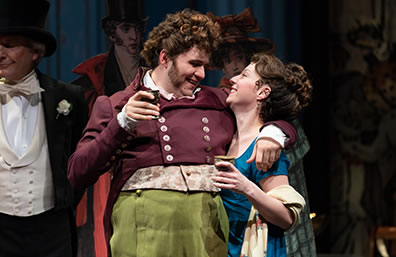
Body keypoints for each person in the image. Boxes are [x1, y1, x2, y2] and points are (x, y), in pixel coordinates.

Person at [68, 9, 297, 257]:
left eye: (205, 66)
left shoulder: (218, 101)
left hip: (205, 232)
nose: (201, 74)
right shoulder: (117, 104)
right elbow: (78, 172)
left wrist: (273, 133)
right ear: (165, 58)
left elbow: (275, 115)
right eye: (194, 64)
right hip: (143, 229)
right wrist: (122, 122)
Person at [209, 8, 318, 257]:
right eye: (228, 61)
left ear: (262, 92)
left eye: (244, 73)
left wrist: (247, 187)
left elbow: (287, 216)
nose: (233, 77)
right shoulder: (225, 133)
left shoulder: (265, 146)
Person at [0, 0, 88, 257]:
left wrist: (62, 201)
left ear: (36, 52)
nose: (0, 53)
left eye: (9, 45)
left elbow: (77, 162)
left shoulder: (68, 97)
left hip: (52, 229)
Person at [71, 1, 148, 256]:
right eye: (126, 29)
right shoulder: (92, 80)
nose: (134, 37)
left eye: (137, 28)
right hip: (106, 170)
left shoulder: (155, 71)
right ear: (112, 32)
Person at [206, 7, 275, 89]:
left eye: (239, 58)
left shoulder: (263, 88)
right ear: (222, 65)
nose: (234, 66)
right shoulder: (219, 96)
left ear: (248, 58)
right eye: (228, 61)